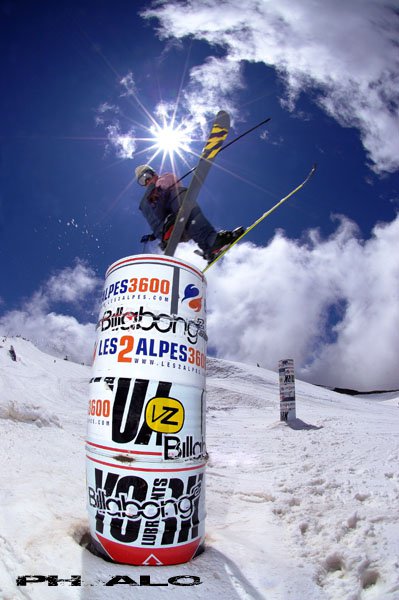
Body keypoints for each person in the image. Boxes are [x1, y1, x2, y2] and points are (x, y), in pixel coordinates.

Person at [136, 164, 243, 262]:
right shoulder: (149, 197)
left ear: (153, 173)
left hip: (182, 223)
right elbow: (157, 212)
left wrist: (158, 189)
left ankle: (209, 246)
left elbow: (168, 182)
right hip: (169, 227)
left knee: (182, 198)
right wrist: (154, 235)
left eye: (146, 176)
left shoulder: (164, 179)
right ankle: (209, 242)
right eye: (142, 181)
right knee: (150, 201)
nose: (146, 181)